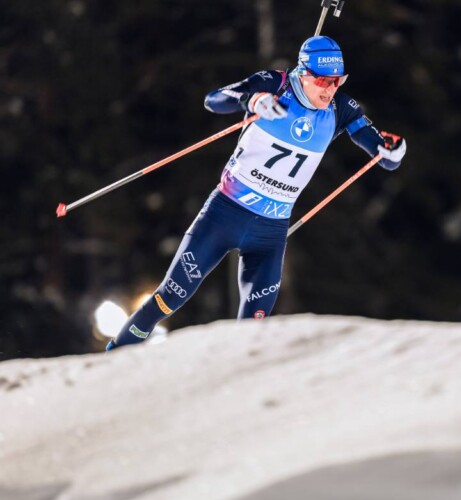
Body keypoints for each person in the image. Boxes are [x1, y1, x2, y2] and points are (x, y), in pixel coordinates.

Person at [106, 36, 406, 351]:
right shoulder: (274, 84)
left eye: (337, 81)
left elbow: (382, 155)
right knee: (171, 296)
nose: (330, 89)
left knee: (253, 328)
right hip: (223, 215)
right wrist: (252, 100)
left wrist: (392, 152)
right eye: (322, 81)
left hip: (269, 234)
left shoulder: (341, 109)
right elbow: (213, 100)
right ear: (303, 73)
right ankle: (115, 355)